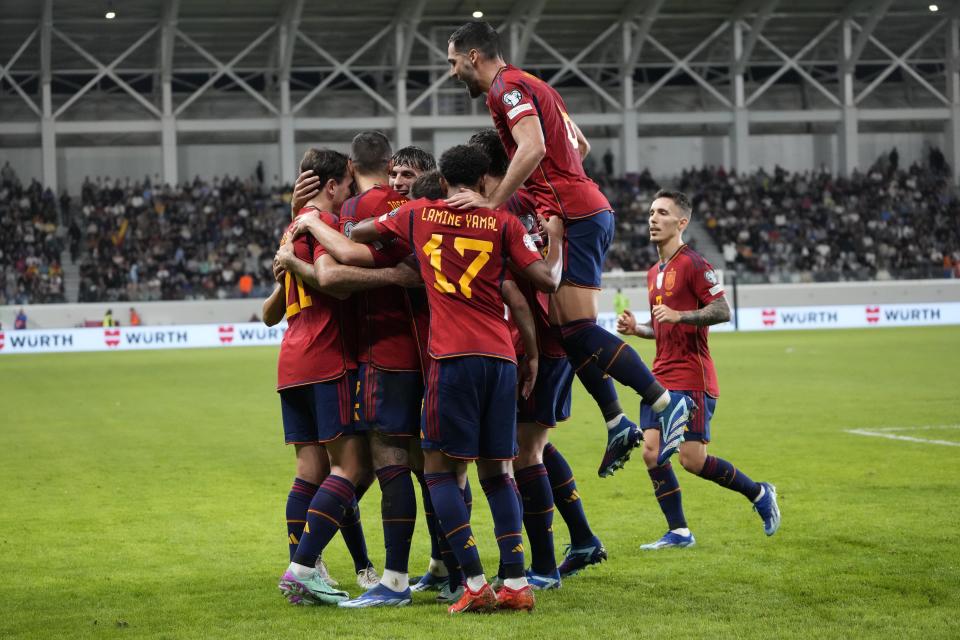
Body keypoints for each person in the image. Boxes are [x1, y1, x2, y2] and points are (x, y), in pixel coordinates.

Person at [289, 144, 564, 613]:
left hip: (450, 357)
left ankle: (473, 582)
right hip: (501, 357)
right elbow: (543, 281)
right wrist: (556, 239)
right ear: (482, 182)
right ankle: (516, 582)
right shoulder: (504, 222)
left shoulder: (420, 214)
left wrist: (310, 220)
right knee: (498, 471)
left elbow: (352, 241)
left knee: (439, 470)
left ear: (440, 182)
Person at [444, 20, 693, 477]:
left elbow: (535, 146)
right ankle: (618, 420)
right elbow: (579, 142)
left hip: (576, 213)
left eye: (453, 62)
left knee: (575, 329)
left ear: (473, 56)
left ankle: (663, 400)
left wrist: (492, 202)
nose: (452, 72)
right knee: (565, 328)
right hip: (581, 207)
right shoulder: (532, 84)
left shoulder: (507, 88)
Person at [272, 148, 411, 606]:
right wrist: (394, 275)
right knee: (352, 467)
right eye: (348, 187)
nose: (352, 196)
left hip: (291, 358)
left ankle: (307, 572)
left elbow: (270, 309)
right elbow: (334, 279)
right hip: (325, 355)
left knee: (309, 470)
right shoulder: (323, 224)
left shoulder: (293, 226)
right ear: (332, 185)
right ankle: (303, 567)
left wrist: (290, 265)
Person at [470, 127, 605, 584]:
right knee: (539, 445)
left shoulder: (504, 210)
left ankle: (544, 566)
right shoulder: (542, 193)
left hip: (538, 341)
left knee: (526, 452)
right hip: (556, 334)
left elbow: (524, 288)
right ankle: (583, 538)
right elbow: (579, 150)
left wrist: (526, 350)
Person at [616, 189, 781, 550]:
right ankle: (679, 531)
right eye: (651, 212)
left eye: (662, 213)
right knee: (651, 452)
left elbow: (722, 310)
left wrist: (682, 316)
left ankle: (759, 493)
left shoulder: (693, 263)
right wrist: (638, 330)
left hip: (692, 377)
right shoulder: (652, 272)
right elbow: (662, 327)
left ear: (682, 222)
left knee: (692, 460)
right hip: (658, 379)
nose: (653, 218)